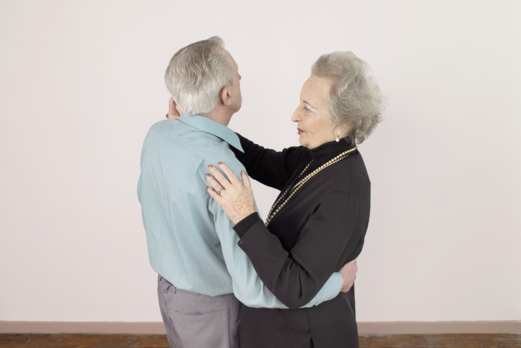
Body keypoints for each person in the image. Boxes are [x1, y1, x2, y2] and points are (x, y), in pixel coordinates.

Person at [138, 36, 357, 348]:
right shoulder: (224, 172)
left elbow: (265, 161)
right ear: (226, 94)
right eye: (237, 74)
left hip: (170, 296)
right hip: (211, 311)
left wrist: (190, 126)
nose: (241, 78)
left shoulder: (159, 134)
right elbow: (253, 289)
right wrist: (337, 284)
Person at [205, 51, 384, 348]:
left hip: (305, 336)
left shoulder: (344, 191)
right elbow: (261, 160)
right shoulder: (319, 155)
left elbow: (296, 288)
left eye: (308, 108)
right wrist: (207, 128)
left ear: (343, 122)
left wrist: (245, 217)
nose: (294, 115)